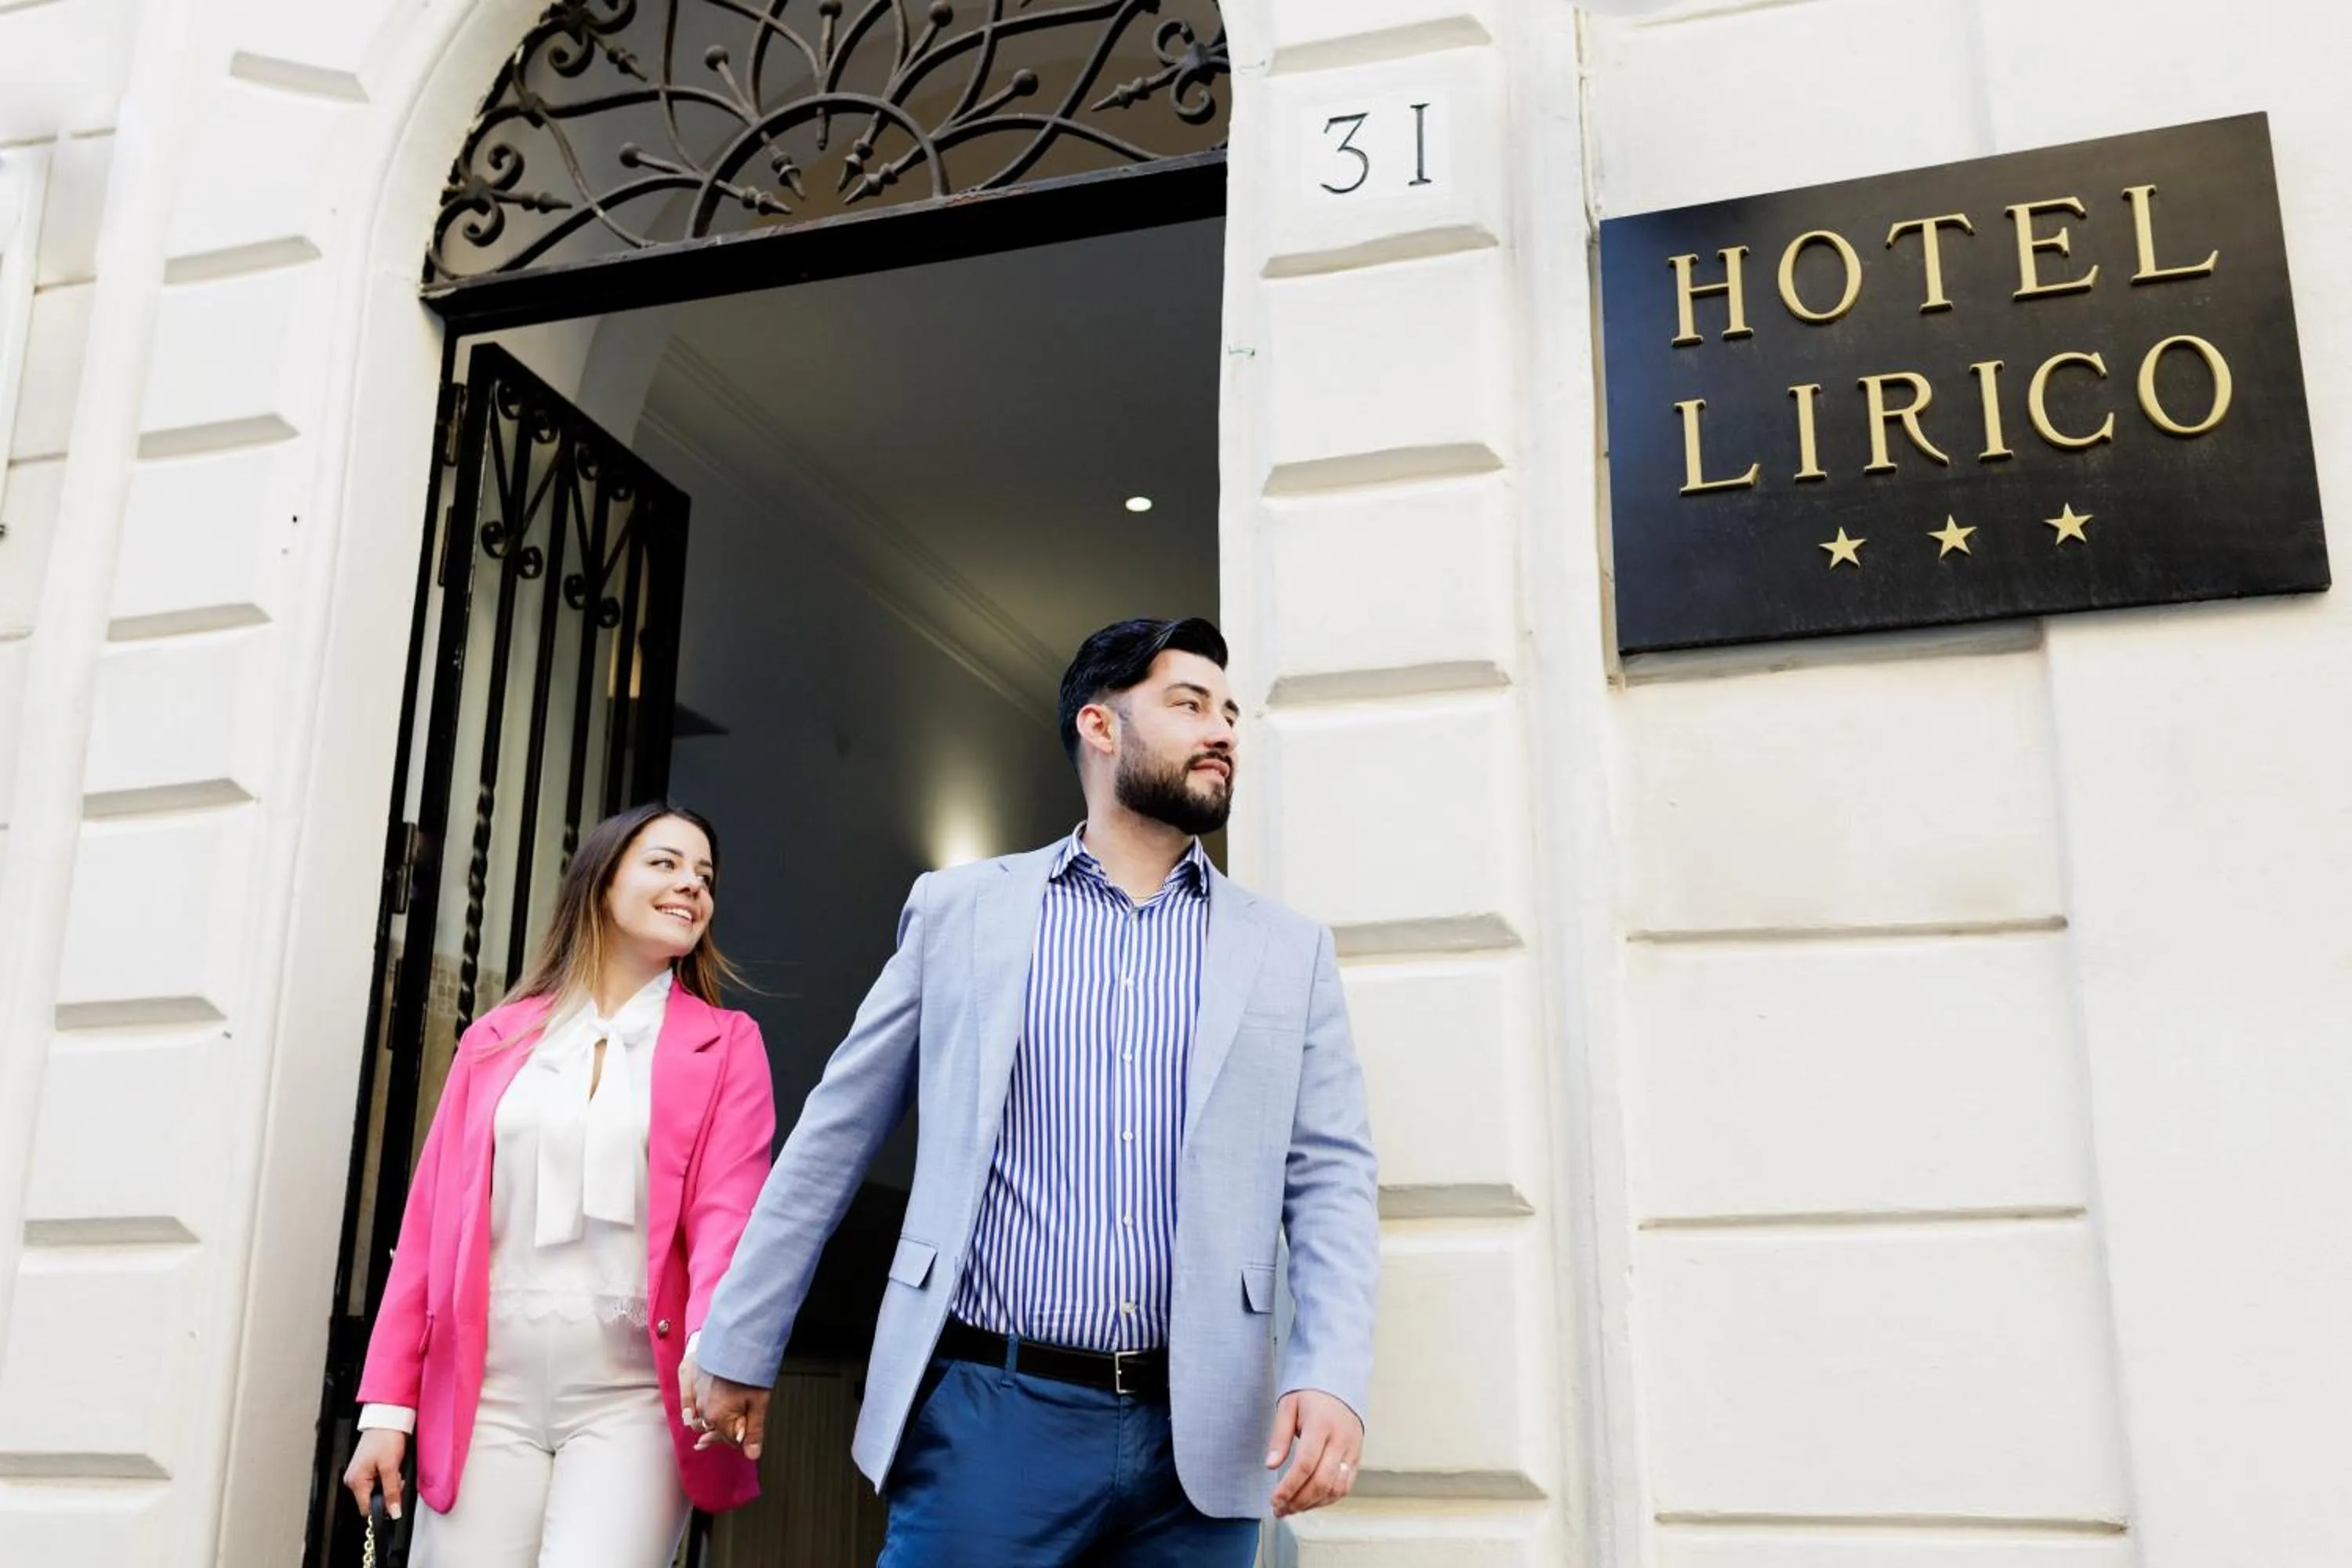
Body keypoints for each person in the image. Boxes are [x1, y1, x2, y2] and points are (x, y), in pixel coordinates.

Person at [691, 617, 1380, 1566]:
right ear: (1100, 726)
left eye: (1229, 712)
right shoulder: (961, 910)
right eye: (1188, 705)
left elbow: (1333, 1178)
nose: (1222, 729)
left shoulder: (1290, 950)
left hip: (1207, 1438)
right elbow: (832, 1138)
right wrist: (741, 1336)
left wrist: (1330, 1369)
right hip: (991, 1419)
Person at [341, 801, 778, 1567]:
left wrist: (719, 1346)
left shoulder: (728, 1044)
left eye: (705, 876)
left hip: (632, 1400)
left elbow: (728, 1216)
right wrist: (387, 1403)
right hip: (482, 1397)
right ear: (601, 882)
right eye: (666, 863)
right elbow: (430, 1228)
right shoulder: (496, 1037)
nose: (692, 885)